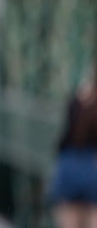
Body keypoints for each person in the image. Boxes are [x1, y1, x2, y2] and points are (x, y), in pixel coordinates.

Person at [49, 65, 97, 228]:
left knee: (68, 220)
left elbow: (64, 136)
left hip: (71, 167)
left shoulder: (78, 101)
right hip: (93, 168)